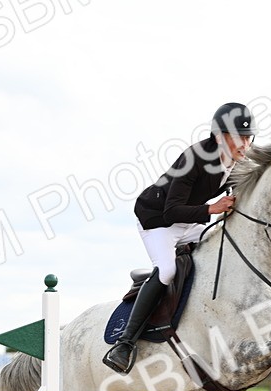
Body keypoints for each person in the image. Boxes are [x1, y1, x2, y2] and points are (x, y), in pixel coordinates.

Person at [103, 102, 255, 374]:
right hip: (158, 219)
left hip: (193, 220)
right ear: (221, 137)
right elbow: (172, 210)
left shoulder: (240, 162)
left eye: (249, 137)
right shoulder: (194, 158)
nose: (246, 144)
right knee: (168, 270)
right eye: (240, 137)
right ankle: (125, 343)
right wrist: (212, 208)